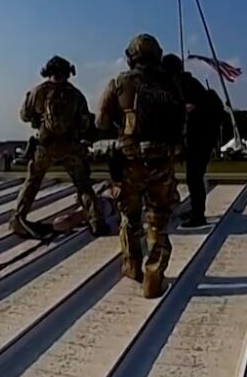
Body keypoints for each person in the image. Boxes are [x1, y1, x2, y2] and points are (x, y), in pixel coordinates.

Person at [96, 34, 184, 298]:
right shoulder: (170, 84)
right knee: (157, 220)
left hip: (129, 163)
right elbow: (181, 122)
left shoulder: (120, 83)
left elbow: (100, 122)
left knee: (129, 216)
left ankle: (131, 266)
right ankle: (153, 275)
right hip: (161, 162)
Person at [11, 55, 107, 238]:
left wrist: (38, 120)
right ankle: (96, 220)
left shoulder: (37, 92)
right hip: (70, 147)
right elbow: (85, 124)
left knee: (33, 181)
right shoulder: (76, 95)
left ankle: (18, 218)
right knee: (83, 184)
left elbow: (24, 115)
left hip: (45, 147)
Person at [161, 53, 225, 228]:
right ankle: (197, 210)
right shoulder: (189, 82)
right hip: (202, 138)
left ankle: (198, 216)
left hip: (198, 138)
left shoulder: (181, 84)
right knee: (194, 177)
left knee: (194, 178)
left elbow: (189, 108)